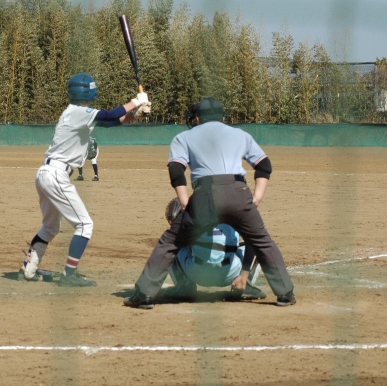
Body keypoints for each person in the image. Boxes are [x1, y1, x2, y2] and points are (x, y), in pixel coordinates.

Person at [124, 97, 296, 308]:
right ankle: (285, 293)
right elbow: (264, 165)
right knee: (261, 240)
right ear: (223, 118)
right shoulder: (240, 135)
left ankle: (144, 294)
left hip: (205, 194)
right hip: (238, 191)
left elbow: (176, 170)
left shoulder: (184, 137)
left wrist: (184, 201)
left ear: (197, 119)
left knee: (171, 242)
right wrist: (257, 197)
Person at [20, 73, 150, 287]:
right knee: (84, 225)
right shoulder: (77, 112)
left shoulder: (75, 113)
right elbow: (110, 114)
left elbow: (109, 122)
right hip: (56, 175)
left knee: (50, 227)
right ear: (88, 92)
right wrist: (137, 100)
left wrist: (134, 115)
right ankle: (69, 276)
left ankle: (28, 267)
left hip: (46, 173)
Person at [159, 198, 267, 303]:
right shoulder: (236, 209)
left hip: (197, 274)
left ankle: (184, 286)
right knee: (256, 243)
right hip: (230, 273)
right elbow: (252, 240)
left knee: (171, 244)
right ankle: (245, 284)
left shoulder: (194, 213)